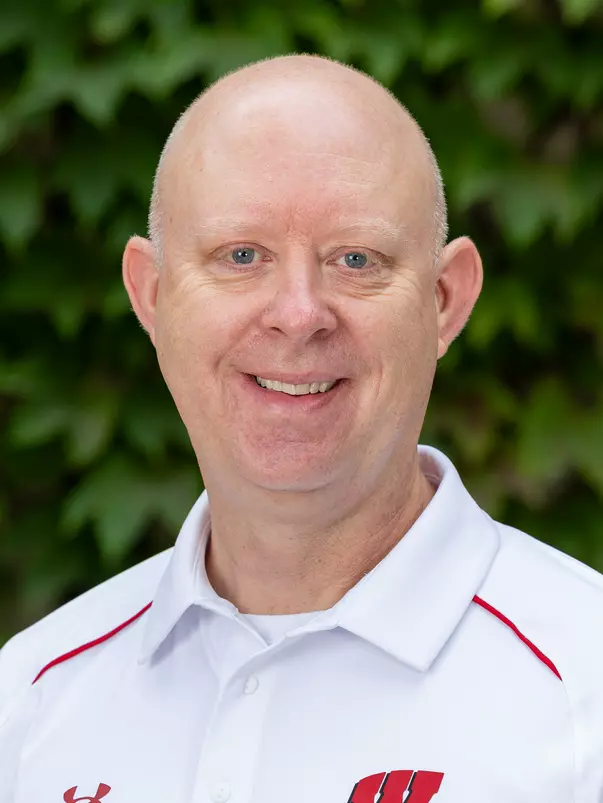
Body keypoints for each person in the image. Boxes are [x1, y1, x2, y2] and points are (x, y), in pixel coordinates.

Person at [0, 54, 602, 803]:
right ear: (151, 295)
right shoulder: (31, 700)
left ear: (445, 300)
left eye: (355, 259)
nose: (298, 312)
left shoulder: (586, 688)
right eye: (241, 255)